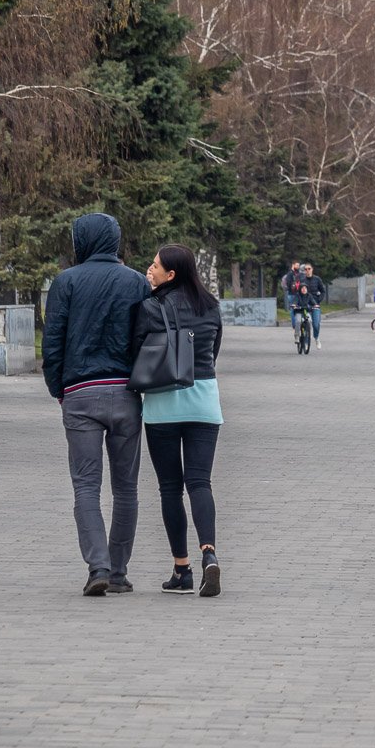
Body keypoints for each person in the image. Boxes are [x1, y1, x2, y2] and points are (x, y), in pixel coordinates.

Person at [42, 213, 151, 596]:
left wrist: (59, 388)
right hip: (125, 394)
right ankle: (119, 573)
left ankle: (98, 568)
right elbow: (146, 338)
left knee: (86, 486)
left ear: (80, 241)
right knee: (126, 489)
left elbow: (53, 342)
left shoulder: (66, 281)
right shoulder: (137, 281)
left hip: (80, 395)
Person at [132, 244, 225, 598]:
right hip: (204, 402)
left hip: (163, 406)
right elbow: (212, 352)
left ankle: (181, 569)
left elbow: (136, 351)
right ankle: (210, 553)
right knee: (200, 483)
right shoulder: (211, 306)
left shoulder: (151, 307)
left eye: (154, 266)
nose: (149, 269)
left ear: (171, 274)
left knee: (170, 488)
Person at [301, 263, 325, 349]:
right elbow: (299, 292)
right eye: (305, 269)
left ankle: (316, 337)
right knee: (306, 323)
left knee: (316, 324)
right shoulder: (302, 280)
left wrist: (318, 301)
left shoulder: (317, 279)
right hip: (305, 305)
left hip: (315, 304)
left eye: (309, 269)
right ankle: (306, 341)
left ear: (312, 269)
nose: (307, 271)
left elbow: (323, 291)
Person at [282, 261, 303, 342]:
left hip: (299, 294)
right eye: (296, 265)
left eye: (299, 265)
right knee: (293, 309)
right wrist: (293, 286)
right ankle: (294, 325)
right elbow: (288, 283)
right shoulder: (290, 274)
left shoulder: (300, 273)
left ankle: (301, 322)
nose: (298, 266)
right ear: (293, 265)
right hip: (292, 294)